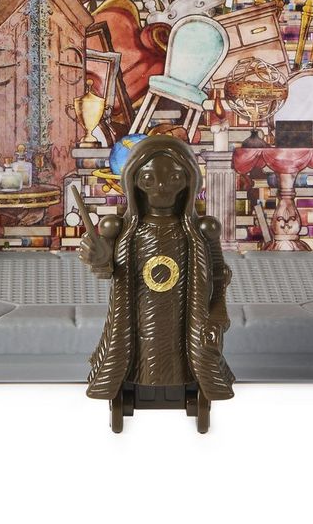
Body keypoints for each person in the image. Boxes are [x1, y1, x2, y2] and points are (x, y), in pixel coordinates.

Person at [78, 135, 233, 432]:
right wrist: (99, 257)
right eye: (149, 179)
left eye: (174, 179)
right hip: (136, 323)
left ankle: (195, 393)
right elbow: (108, 270)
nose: (161, 189)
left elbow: (218, 276)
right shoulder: (122, 230)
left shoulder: (201, 231)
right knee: (136, 354)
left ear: (188, 181)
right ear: (134, 182)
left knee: (186, 355)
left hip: (185, 323)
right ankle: (124, 391)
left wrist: (216, 315)